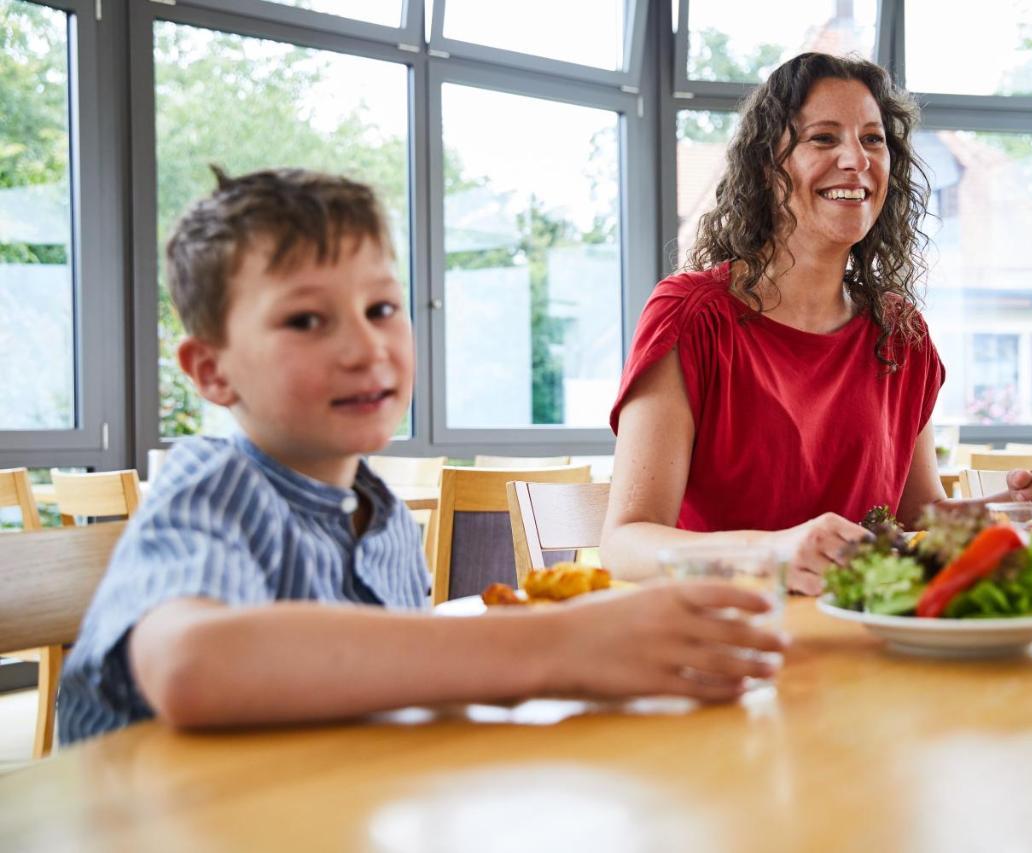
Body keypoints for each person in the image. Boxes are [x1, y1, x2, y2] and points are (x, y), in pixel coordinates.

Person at [57, 167, 786, 744]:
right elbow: (192, 665)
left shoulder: (383, 521)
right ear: (212, 371)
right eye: (306, 319)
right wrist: (555, 645)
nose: (367, 348)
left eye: (381, 309)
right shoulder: (210, 486)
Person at [601, 53, 1032, 595]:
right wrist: (775, 553)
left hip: (874, 637)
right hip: (728, 643)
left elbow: (917, 519)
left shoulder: (900, 334)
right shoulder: (691, 314)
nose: (856, 159)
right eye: (823, 138)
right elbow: (626, 543)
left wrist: (1017, 510)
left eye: (872, 139)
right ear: (768, 166)